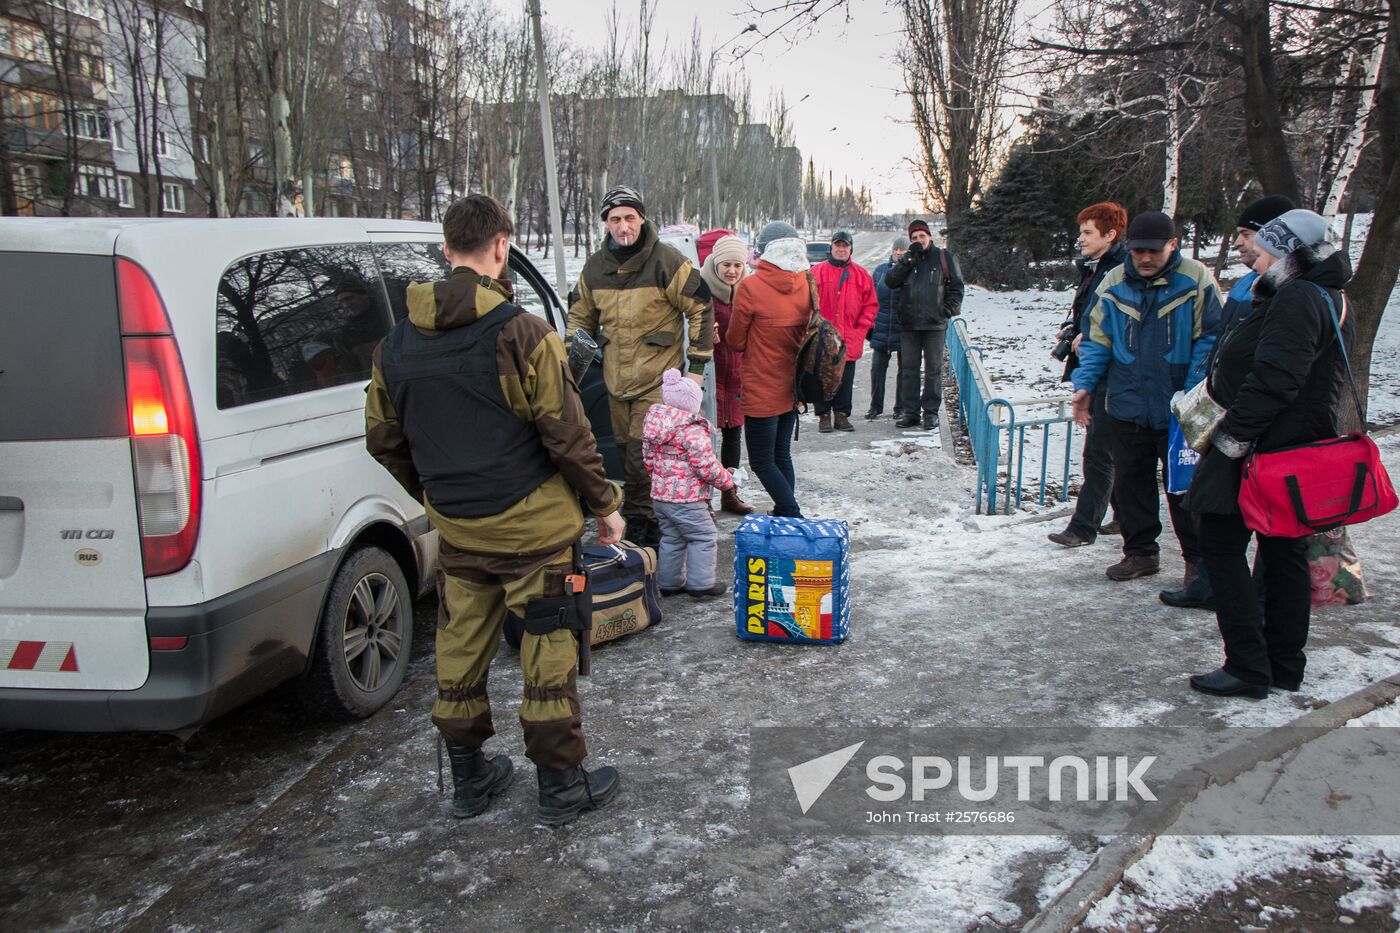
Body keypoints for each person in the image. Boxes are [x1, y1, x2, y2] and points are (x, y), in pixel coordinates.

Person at [365, 194, 625, 825]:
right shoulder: (523, 332)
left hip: (460, 533)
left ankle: (469, 781)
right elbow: (567, 435)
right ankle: (561, 787)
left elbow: (382, 439)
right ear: (502, 247)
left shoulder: (394, 345)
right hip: (534, 531)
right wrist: (605, 505)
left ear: (447, 250)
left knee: (458, 648)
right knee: (546, 656)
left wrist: (436, 496)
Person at [1182, 209, 1351, 699]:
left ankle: (1248, 666)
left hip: (1262, 448)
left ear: (1290, 252)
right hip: (1292, 448)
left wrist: (1232, 437)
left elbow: (1277, 378)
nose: (1255, 251)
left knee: (1219, 541)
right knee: (1282, 551)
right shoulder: (1327, 294)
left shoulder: (1297, 296)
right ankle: (1281, 665)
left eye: (1267, 246)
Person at [1159, 194, 1295, 610]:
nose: (1238, 242)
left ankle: (1259, 609)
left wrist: (1237, 429)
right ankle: (1213, 585)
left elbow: (1276, 370)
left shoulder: (1295, 296)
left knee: (1271, 533)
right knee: (1219, 518)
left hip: (1258, 429)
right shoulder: (1245, 285)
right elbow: (1224, 343)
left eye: (1246, 234)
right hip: (1229, 417)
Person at [1071, 211, 1222, 582]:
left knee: (1184, 486)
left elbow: (1213, 336)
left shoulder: (1195, 278)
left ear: (1172, 245)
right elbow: (1095, 339)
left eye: (1153, 250)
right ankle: (1140, 553)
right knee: (1131, 483)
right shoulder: (1115, 281)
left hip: (1179, 408)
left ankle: (1197, 561)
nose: (1145, 258)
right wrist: (1085, 384)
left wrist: (1189, 391)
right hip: (1126, 402)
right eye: (1138, 250)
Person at [568, 186, 714, 547]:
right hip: (616, 380)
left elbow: (700, 307)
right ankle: (646, 518)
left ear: (642, 219)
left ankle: (643, 523)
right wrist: (569, 369)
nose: (623, 226)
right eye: (615, 219)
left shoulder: (667, 261)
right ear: (605, 223)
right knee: (624, 454)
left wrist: (695, 369)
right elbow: (579, 319)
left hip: (658, 381)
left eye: (630, 218)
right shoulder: (594, 269)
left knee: (641, 456)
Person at [1047, 202, 1128, 549]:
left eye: (1087, 232)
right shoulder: (1094, 268)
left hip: (1112, 371)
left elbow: (1119, 322)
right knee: (1117, 450)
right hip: (1097, 366)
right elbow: (1091, 313)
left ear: (1110, 235)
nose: (1079, 239)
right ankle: (1126, 517)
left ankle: (1083, 528)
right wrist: (1074, 328)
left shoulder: (1121, 271)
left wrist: (1092, 337)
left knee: (1098, 453)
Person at [726, 221, 812, 518]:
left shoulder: (750, 286)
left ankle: (790, 510)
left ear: (765, 251)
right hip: (793, 386)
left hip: (762, 387)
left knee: (762, 460)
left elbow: (736, 341)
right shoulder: (807, 283)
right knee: (781, 454)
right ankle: (784, 509)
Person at [642, 369, 735, 598]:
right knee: (703, 536)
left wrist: (661, 480)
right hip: (687, 500)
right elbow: (706, 467)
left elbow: (648, 460)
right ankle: (701, 584)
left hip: (660, 497)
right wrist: (727, 481)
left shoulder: (655, 427)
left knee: (672, 538)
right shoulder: (692, 431)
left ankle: (669, 583)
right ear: (692, 403)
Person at [885, 219, 966, 430]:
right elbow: (890, 281)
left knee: (933, 370)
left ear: (929, 236)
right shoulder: (907, 259)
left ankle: (930, 413)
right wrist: (906, 260)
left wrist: (946, 310)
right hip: (909, 325)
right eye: (914, 237)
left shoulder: (943, 257)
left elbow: (957, 287)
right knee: (909, 370)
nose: (919, 240)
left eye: (922, 236)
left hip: (934, 325)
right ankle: (911, 413)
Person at [697, 229, 755, 515]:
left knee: (733, 435)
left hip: (737, 377)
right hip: (709, 375)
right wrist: (705, 334)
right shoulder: (701, 291)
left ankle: (730, 494)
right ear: (715, 264)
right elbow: (687, 328)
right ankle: (702, 499)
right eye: (726, 265)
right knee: (704, 440)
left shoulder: (749, 291)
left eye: (737, 265)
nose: (732, 271)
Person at [810, 231, 878, 433]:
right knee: (822, 376)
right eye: (837, 245)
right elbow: (807, 302)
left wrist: (861, 327)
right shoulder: (816, 272)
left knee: (845, 379)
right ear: (831, 248)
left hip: (849, 335)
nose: (841, 249)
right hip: (823, 336)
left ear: (850, 249)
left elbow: (871, 305)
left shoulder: (861, 274)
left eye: (845, 246)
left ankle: (841, 415)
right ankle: (823, 415)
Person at [867, 235, 909, 421]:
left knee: (904, 370)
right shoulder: (880, 271)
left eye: (903, 250)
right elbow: (869, 298)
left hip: (904, 327)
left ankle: (900, 407)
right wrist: (870, 324)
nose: (899, 252)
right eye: (896, 249)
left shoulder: (911, 270)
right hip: (882, 326)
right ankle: (875, 406)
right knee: (877, 369)